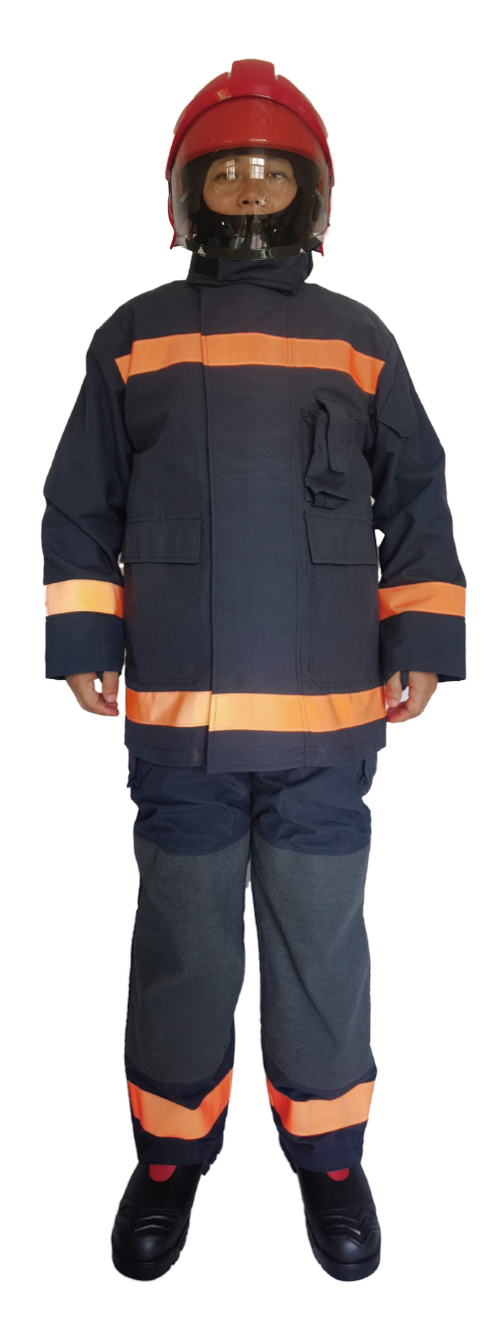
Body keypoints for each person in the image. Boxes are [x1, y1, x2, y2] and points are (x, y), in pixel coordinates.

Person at [41, 57, 467, 1285]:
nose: (242, 186)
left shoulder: (359, 338)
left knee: (320, 944)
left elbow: (417, 493)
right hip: (175, 710)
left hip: (329, 716)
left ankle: (330, 1160)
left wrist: (421, 644)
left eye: (265, 171)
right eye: (222, 169)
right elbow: (78, 504)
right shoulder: (130, 335)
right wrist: (84, 645)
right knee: (182, 943)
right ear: (182, 195)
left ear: (310, 197)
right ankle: (168, 1157)